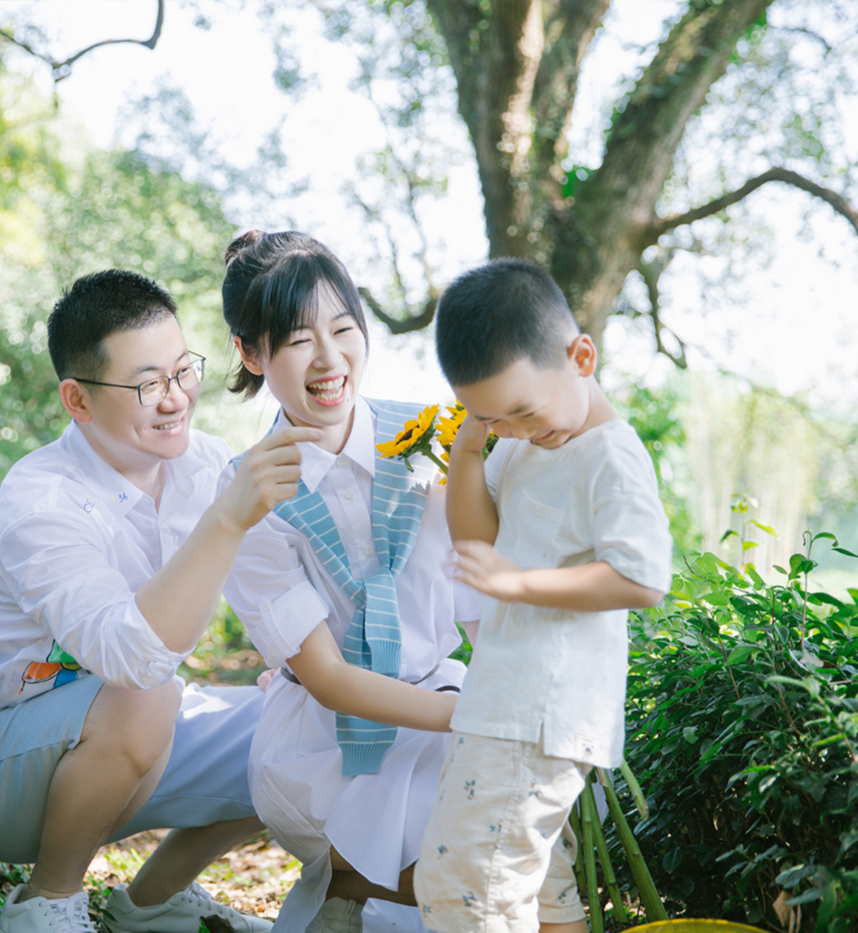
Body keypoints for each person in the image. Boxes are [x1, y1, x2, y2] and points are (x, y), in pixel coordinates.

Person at [0, 269, 321, 933]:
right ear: (78, 400)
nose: (175, 399)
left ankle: (153, 901)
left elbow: (276, 582)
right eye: (147, 385)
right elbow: (134, 658)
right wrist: (226, 518)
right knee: (147, 693)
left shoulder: (205, 464)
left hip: (133, 730)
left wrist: (298, 670)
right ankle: (46, 902)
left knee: (296, 723)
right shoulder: (40, 501)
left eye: (182, 371)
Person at [218, 230, 479, 933]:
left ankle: (345, 899)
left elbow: (479, 594)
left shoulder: (433, 436)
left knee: (528, 820)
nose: (330, 359)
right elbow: (329, 679)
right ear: (251, 353)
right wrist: (479, 716)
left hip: (441, 697)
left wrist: (511, 694)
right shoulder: (249, 491)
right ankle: (348, 882)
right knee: (472, 878)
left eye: (342, 329)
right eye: (299, 340)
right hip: (326, 739)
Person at [413, 258, 672, 933]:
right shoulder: (522, 443)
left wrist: (519, 583)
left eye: (524, 411)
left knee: (467, 889)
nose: (518, 429)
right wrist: (469, 451)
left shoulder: (610, 456)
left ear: (581, 356)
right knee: (536, 887)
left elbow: (643, 576)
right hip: (504, 699)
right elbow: (478, 539)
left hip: (539, 711)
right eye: (493, 417)